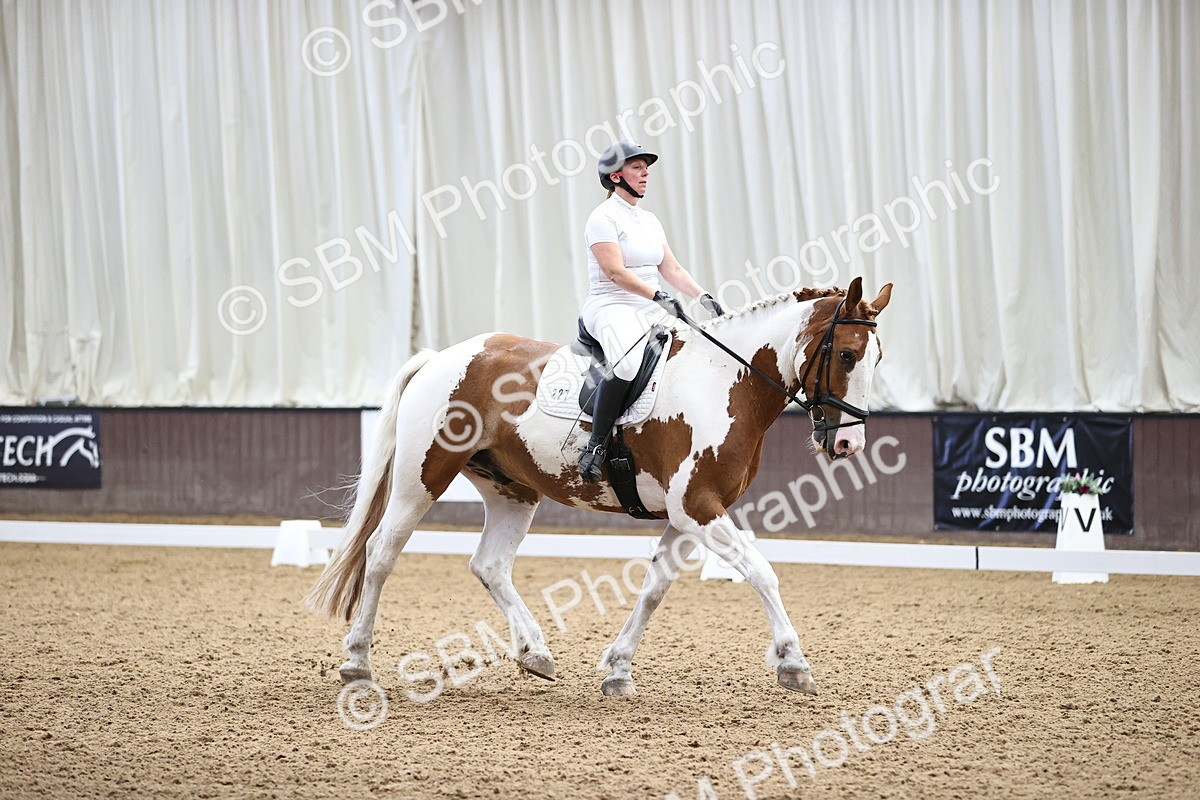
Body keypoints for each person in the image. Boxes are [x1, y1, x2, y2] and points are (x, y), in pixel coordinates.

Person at [577, 140, 724, 483]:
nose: (645, 174)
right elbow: (615, 271)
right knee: (627, 363)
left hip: (649, 306)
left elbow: (670, 268)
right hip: (610, 306)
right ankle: (596, 445)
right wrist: (658, 296)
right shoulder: (602, 218)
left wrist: (703, 296)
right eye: (637, 168)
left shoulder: (649, 220)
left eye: (646, 168)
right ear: (616, 176)